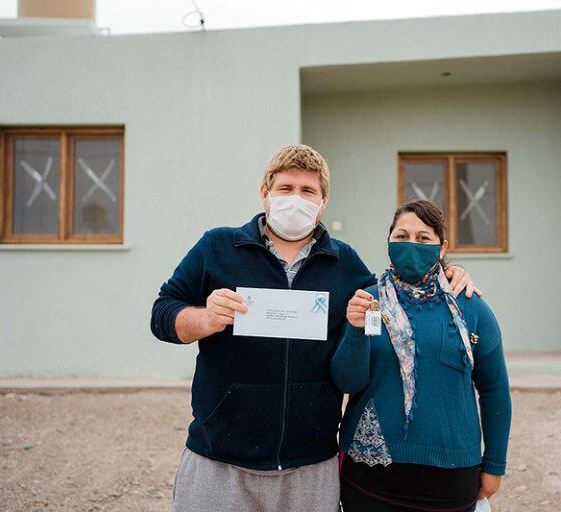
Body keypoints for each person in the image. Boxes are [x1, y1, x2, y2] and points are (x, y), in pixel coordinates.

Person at [149, 145, 482, 512]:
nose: (296, 199)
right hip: (220, 457)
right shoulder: (217, 247)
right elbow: (163, 314)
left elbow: (392, 296)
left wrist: (446, 273)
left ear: (323, 202)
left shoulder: (345, 263)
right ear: (265, 193)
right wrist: (205, 319)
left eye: (308, 191)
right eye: (285, 188)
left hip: (310, 463)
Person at [332, 200, 512, 512]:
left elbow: (495, 389)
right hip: (370, 475)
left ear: (441, 248)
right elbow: (347, 381)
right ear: (389, 241)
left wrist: (495, 464)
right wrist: (355, 330)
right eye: (401, 236)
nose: (411, 245)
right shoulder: (367, 302)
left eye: (423, 238)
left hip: (451, 478)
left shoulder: (470, 306)